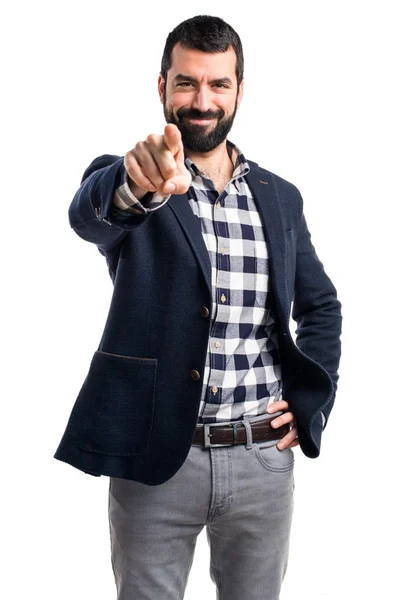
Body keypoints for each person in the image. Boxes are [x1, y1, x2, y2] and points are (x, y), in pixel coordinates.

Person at [54, 14, 342, 600]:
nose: (202, 100)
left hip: (263, 461)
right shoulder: (137, 177)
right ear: (161, 86)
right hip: (159, 458)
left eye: (218, 84)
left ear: (239, 90)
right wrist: (139, 182)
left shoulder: (280, 197)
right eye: (186, 83)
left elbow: (322, 307)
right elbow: (90, 214)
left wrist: (309, 402)